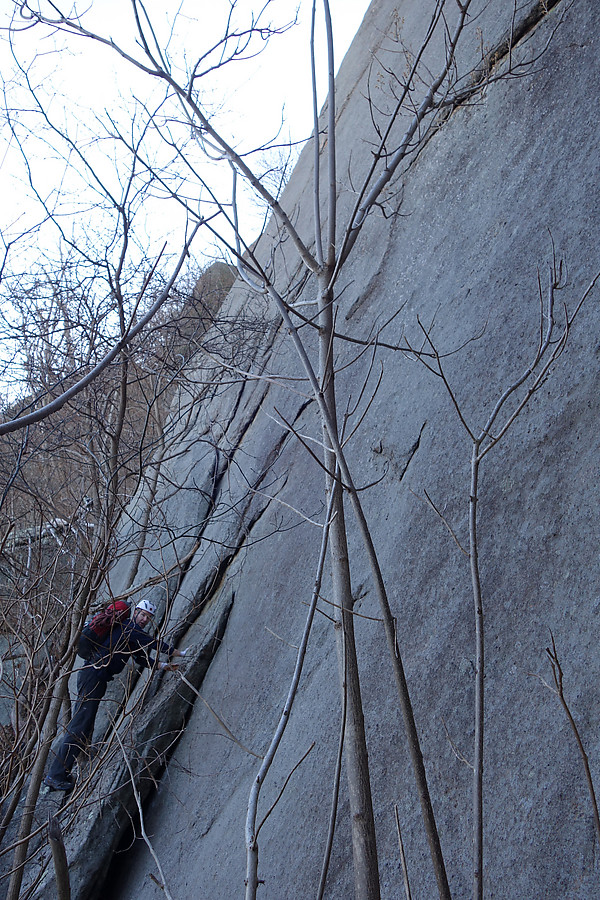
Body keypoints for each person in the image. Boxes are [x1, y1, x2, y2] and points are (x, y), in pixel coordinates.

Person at [44, 599, 185, 792]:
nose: (145, 619)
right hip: (93, 675)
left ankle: (61, 772)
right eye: (143, 614)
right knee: (79, 727)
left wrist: (164, 666)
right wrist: (179, 653)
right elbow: (154, 643)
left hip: (95, 676)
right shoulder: (129, 627)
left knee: (82, 726)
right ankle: (55, 775)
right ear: (135, 612)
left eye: (149, 617)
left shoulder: (129, 633)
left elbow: (140, 657)